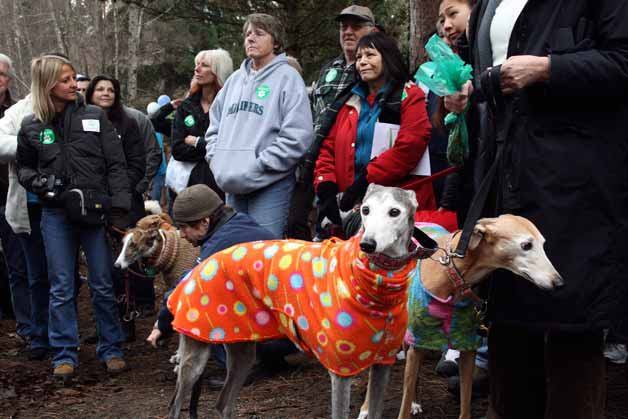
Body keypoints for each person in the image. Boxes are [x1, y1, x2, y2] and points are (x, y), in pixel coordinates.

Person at [445, 1, 628, 418]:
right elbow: (492, 80)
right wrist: (468, 94)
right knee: (509, 331)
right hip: (503, 185)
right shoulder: (490, 3)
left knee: (571, 331)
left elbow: (623, 61)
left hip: (577, 191)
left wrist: (549, 69)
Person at [16, 54, 130, 379]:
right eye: (65, 80)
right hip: (55, 213)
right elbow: (24, 168)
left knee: (103, 281)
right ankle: (64, 353)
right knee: (62, 285)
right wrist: (39, 183)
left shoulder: (94, 115)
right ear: (48, 84)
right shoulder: (32, 125)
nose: (73, 84)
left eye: (72, 79)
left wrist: (119, 209)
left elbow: (116, 164)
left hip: (94, 212)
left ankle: (112, 348)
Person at [147, 184, 296, 376]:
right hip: (291, 328)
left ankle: (243, 368)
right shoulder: (240, 223)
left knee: (205, 303)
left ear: (204, 222)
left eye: (184, 227)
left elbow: (187, 287)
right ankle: (270, 360)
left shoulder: (220, 246)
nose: (182, 235)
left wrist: (162, 324)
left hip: (278, 333)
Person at [313, 32, 435, 234]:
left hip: (396, 209)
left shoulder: (409, 95)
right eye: (359, 57)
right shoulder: (348, 102)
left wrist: (366, 180)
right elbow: (327, 147)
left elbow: (410, 145)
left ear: (387, 57)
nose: (362, 62)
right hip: (351, 206)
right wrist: (326, 186)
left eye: (370, 55)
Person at [205, 13, 313, 238]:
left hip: (270, 185)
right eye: (247, 34)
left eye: (259, 33)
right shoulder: (234, 81)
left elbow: (298, 136)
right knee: (235, 252)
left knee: (264, 253)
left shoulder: (288, 78)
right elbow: (214, 126)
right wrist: (217, 159)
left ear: (275, 41)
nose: (250, 39)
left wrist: (260, 165)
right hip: (232, 185)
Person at [287, 5, 376, 240]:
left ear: (372, 30)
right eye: (343, 27)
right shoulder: (329, 69)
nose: (347, 32)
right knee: (296, 223)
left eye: (355, 27)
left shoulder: (375, 70)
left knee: (346, 230)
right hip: (312, 160)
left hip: (350, 164)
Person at [86, 75, 148, 340]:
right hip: (91, 203)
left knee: (123, 267)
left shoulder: (128, 123)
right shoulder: (79, 122)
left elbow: (137, 163)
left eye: (111, 89)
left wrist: (122, 192)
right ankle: (104, 325)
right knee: (98, 266)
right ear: (89, 93)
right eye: (100, 89)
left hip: (124, 205)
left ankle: (126, 321)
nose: (105, 93)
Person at [0, 53, 50, 361]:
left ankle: (31, 327)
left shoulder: (20, 109)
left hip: (12, 197)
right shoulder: (18, 115)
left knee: (21, 266)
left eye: (2, 74)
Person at [171, 49, 232, 198]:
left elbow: (228, 148)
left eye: (204, 65)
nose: (196, 69)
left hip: (222, 186)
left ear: (218, 70)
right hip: (189, 186)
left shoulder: (230, 106)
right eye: (197, 64)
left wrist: (197, 142)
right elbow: (177, 149)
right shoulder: (186, 106)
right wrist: (211, 147)